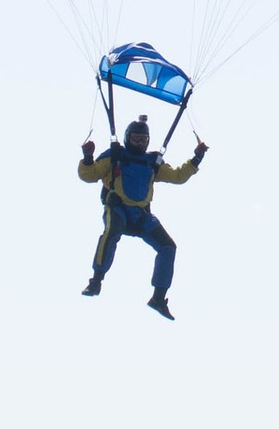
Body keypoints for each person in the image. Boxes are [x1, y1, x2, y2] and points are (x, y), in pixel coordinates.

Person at [78, 115, 208, 318]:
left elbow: (177, 176)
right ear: (127, 137)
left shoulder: (151, 162)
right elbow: (89, 175)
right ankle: (96, 281)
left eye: (143, 140)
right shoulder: (115, 156)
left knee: (168, 247)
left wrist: (197, 158)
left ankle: (158, 298)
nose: (139, 143)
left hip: (141, 215)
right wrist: (88, 158)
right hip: (118, 209)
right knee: (111, 232)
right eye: (135, 139)